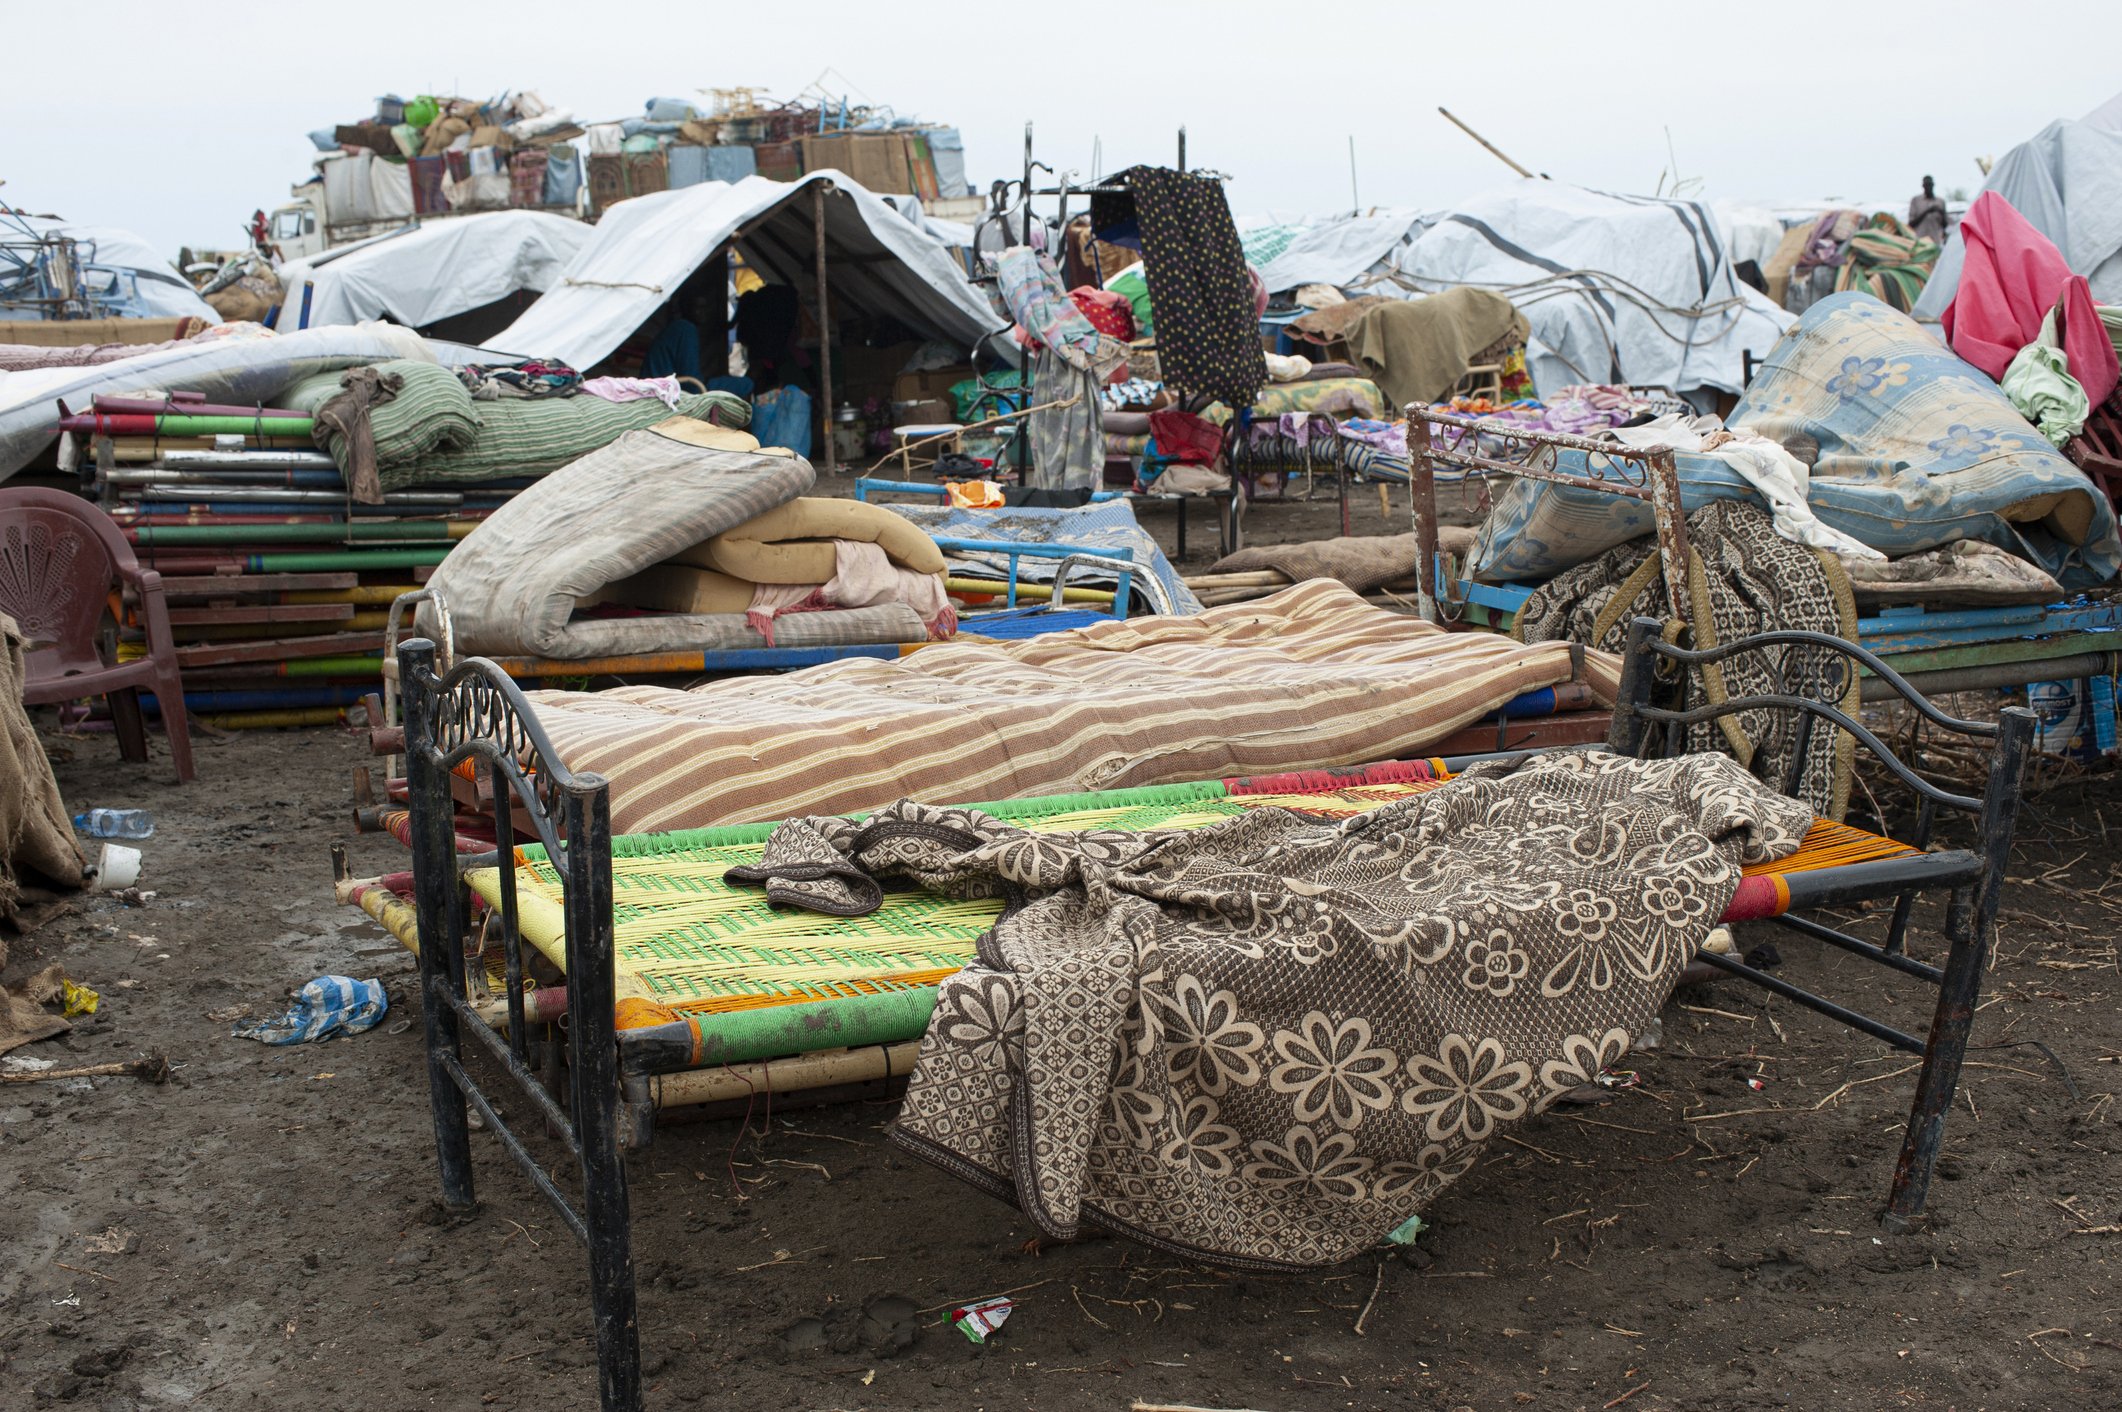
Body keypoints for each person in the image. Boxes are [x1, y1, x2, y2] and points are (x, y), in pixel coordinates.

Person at [1909, 176, 1948, 244]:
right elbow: (1911, 224)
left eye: (1930, 185)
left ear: (1933, 185)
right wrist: (1927, 211)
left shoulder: (1940, 202)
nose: (1928, 187)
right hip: (1920, 241)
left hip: (1936, 241)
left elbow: (1945, 225)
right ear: (1923, 186)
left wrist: (1941, 213)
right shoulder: (1916, 200)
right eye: (1926, 185)